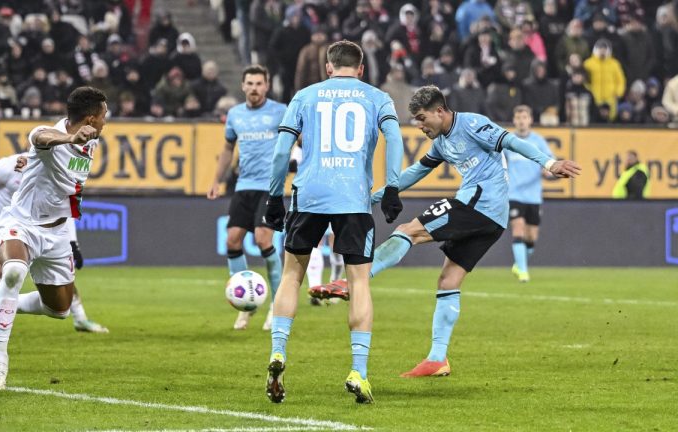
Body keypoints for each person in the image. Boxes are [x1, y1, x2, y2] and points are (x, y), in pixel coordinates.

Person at [311, 85, 580, 377]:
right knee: (448, 279)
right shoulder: (441, 142)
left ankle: (355, 280)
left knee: (408, 230)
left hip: (478, 204)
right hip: (492, 219)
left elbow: (512, 142)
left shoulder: (473, 124)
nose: (419, 125)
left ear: (440, 111)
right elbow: (418, 170)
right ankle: (438, 358)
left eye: (422, 118)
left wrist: (550, 163)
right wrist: (379, 194)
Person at [263, 40, 404, 404]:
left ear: (328, 68)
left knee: (292, 274)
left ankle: (278, 350)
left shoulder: (305, 96)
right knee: (358, 282)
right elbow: (394, 137)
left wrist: (273, 194)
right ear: (361, 69)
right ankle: (359, 370)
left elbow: (281, 149)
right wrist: (392, 188)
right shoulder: (377, 97)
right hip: (353, 199)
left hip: (308, 194)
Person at [0, 86, 108, 390]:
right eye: (104, 116)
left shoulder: (92, 142)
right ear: (91, 118)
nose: (107, 122)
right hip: (21, 223)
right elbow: (40, 137)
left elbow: (65, 186)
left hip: (56, 232)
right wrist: (68, 138)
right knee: (13, 271)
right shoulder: (50, 135)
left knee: (59, 309)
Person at [0, 153, 109, 336]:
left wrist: (73, 244)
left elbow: (60, 210)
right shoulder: (8, 166)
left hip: (35, 228)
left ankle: (80, 319)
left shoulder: (50, 174)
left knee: (62, 279)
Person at [207, 65, 286, 331]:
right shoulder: (235, 114)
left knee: (263, 238)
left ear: (267, 86)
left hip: (270, 187)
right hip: (243, 186)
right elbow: (228, 149)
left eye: (259, 84)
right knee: (233, 239)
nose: (254, 88)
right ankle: (246, 303)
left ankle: (278, 305)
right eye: (249, 83)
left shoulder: (280, 112)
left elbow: (298, 143)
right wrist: (218, 180)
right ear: (243, 86)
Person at [504, 105, 556, 283]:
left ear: (530, 120)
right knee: (517, 229)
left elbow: (550, 164)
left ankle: (519, 263)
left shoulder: (539, 141)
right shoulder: (508, 141)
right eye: (518, 118)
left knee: (531, 238)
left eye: (524, 117)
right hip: (514, 194)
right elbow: (499, 163)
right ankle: (524, 273)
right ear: (514, 120)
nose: (521, 121)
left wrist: (547, 171)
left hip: (534, 196)